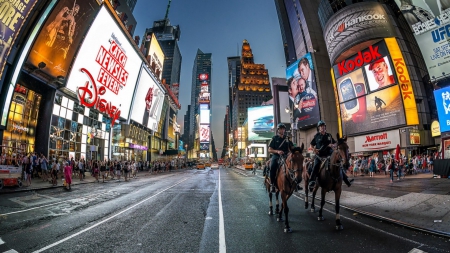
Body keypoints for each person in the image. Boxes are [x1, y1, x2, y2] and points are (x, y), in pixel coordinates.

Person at [308, 120, 353, 190]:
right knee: (316, 165)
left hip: (329, 155)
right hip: (320, 155)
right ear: (319, 128)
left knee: (338, 165)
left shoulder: (329, 135)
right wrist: (314, 150)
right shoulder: (316, 136)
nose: (323, 127)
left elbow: (335, 143)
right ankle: (312, 181)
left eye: (323, 126)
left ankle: (346, 180)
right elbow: (311, 144)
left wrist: (333, 145)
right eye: (321, 126)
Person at [268, 123, 294, 192]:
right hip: (276, 156)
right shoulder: (274, 138)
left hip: (286, 156)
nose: (282, 130)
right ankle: (272, 184)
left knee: (293, 166)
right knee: (273, 166)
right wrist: (277, 151)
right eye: (281, 129)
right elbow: (269, 149)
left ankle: (295, 184)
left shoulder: (287, 139)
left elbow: (292, 148)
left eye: (283, 129)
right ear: (278, 130)